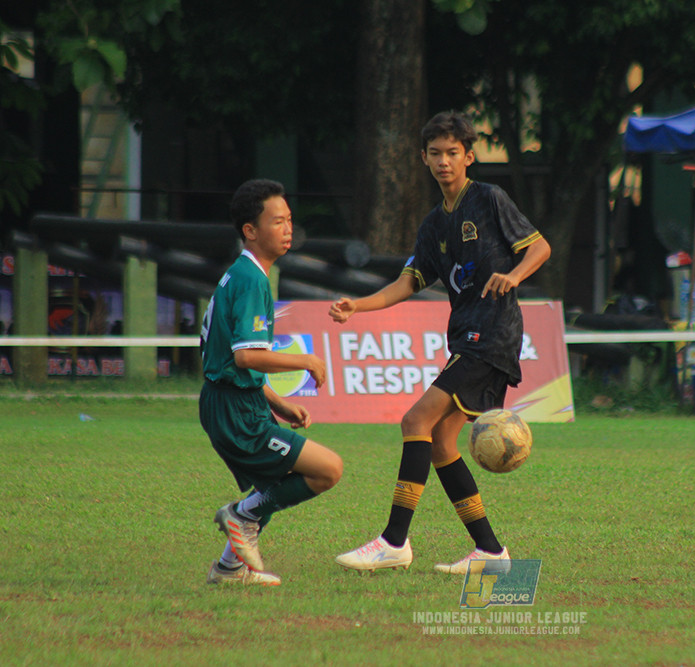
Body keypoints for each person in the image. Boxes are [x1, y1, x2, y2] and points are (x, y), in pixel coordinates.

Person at [329, 111, 551, 575]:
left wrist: (512, 275)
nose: (444, 161)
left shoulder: (489, 199)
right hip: (467, 338)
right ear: (424, 159)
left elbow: (540, 248)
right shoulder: (434, 224)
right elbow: (408, 282)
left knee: (416, 418)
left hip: (491, 335)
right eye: (435, 154)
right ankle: (491, 553)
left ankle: (393, 542)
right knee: (440, 443)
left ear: (469, 157)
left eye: (453, 153)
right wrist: (359, 306)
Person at [200, 178, 344, 586]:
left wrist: (276, 402)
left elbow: (229, 357)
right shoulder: (251, 280)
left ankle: (229, 568)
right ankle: (239, 516)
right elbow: (246, 356)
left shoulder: (244, 275)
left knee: (277, 482)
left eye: (289, 220)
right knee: (327, 470)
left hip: (234, 401)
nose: (287, 229)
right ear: (250, 230)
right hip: (234, 410)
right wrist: (306, 360)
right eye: (277, 221)